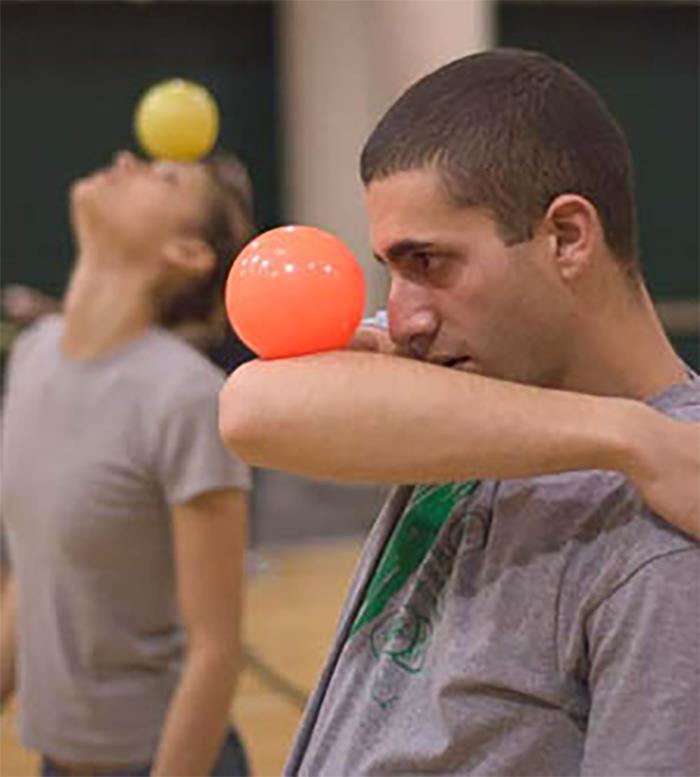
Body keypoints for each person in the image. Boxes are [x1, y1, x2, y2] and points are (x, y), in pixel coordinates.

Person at [219, 49, 700, 775]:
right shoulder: (480, 393)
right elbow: (249, 406)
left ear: (567, 236)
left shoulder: (668, 528)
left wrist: (650, 451)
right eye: (391, 270)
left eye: (429, 263)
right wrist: (629, 436)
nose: (406, 317)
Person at [1, 149, 254, 776]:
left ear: (188, 253)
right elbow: (30, 578)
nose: (124, 159)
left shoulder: (186, 398)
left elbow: (215, 652)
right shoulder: (31, 358)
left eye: (164, 177)